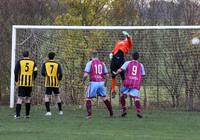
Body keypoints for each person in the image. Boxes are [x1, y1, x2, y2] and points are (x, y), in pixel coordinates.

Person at [82, 51, 113, 119]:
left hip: (93, 82)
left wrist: (83, 80)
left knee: (88, 98)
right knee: (104, 97)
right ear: (97, 56)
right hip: (101, 82)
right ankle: (111, 112)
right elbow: (107, 75)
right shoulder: (102, 63)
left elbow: (86, 74)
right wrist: (105, 81)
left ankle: (89, 115)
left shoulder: (90, 63)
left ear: (92, 56)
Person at [114, 51, 145, 118]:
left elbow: (120, 70)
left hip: (128, 82)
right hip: (136, 83)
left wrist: (115, 73)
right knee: (136, 97)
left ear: (132, 56)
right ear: (138, 58)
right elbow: (142, 75)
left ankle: (124, 109)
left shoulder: (127, 63)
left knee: (122, 94)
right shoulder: (141, 65)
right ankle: (138, 111)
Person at [14, 50, 37, 119]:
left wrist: (16, 80)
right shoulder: (33, 62)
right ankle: (27, 115)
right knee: (28, 98)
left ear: (23, 55)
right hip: (29, 83)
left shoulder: (19, 62)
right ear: (28, 55)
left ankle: (17, 115)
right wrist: (33, 79)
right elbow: (35, 72)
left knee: (20, 98)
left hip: (21, 83)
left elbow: (16, 71)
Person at [110, 31, 133, 98]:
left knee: (123, 76)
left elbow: (130, 43)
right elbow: (115, 48)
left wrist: (128, 36)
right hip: (114, 58)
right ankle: (113, 91)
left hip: (121, 58)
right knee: (113, 75)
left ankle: (125, 91)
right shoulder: (119, 42)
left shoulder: (128, 43)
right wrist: (112, 53)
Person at [41, 52, 63, 116]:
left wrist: (47, 75)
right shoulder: (57, 64)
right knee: (57, 96)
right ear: (54, 57)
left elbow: (42, 72)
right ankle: (60, 111)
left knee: (47, 96)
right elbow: (61, 73)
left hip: (48, 82)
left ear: (48, 56)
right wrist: (58, 79)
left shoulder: (45, 63)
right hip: (55, 82)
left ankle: (48, 112)